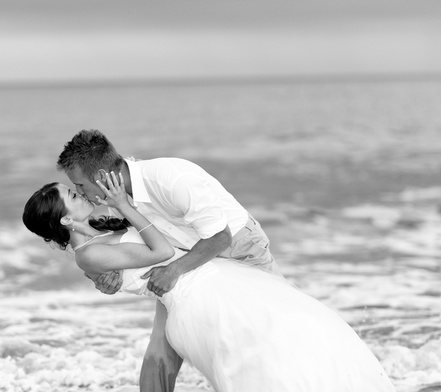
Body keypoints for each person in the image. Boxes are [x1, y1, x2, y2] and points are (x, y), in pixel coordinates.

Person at [22, 173, 395, 391]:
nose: (80, 194)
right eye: (72, 196)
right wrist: (125, 205)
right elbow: (161, 250)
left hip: (210, 281)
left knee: (282, 340)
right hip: (195, 300)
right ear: (66, 221)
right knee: (249, 360)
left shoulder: (100, 236)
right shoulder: (89, 254)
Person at [56, 129, 281, 391]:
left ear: (102, 177)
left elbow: (221, 237)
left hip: (240, 247)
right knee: (163, 343)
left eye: (80, 185)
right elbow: (127, 240)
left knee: (274, 327)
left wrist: (172, 271)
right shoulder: (115, 197)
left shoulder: (171, 179)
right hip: (187, 259)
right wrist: (107, 275)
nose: (79, 193)